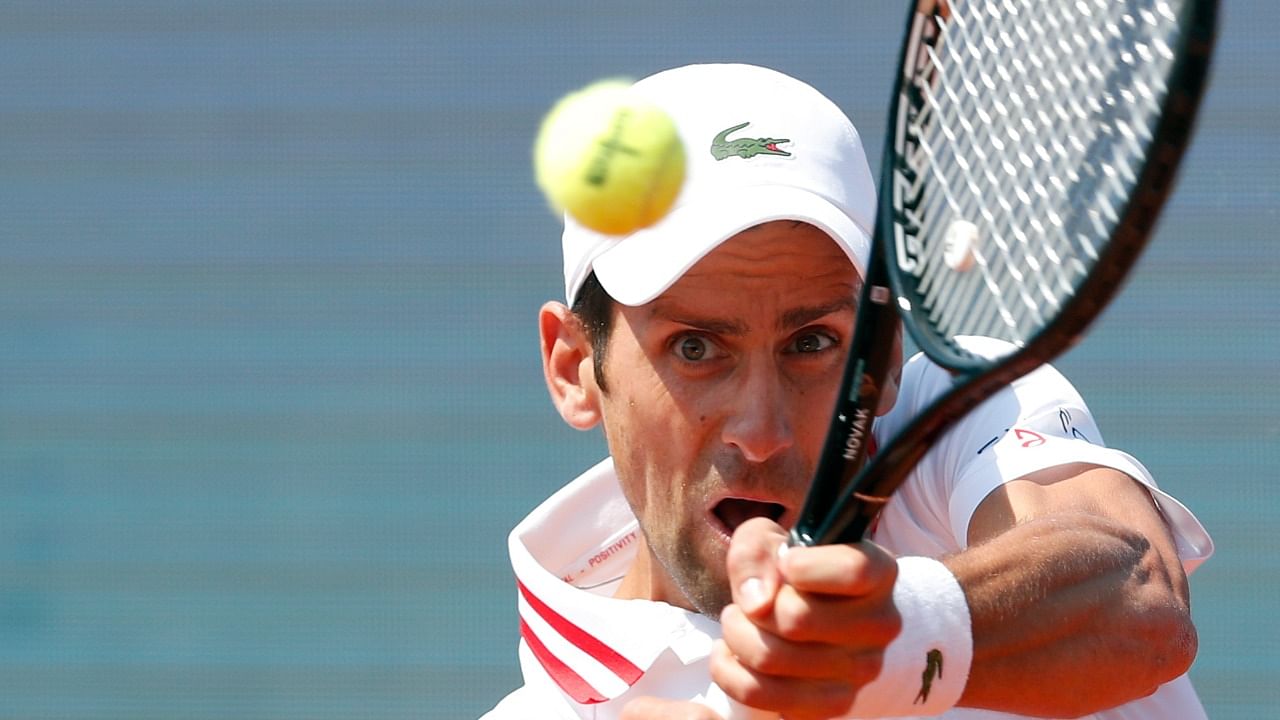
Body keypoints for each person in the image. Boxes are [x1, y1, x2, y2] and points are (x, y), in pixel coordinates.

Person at [483, 63, 1214, 720]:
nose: (761, 430)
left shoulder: (957, 409)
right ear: (575, 367)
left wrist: (883, 646)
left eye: (812, 343)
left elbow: (1138, 597)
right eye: (696, 348)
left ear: (887, 352)